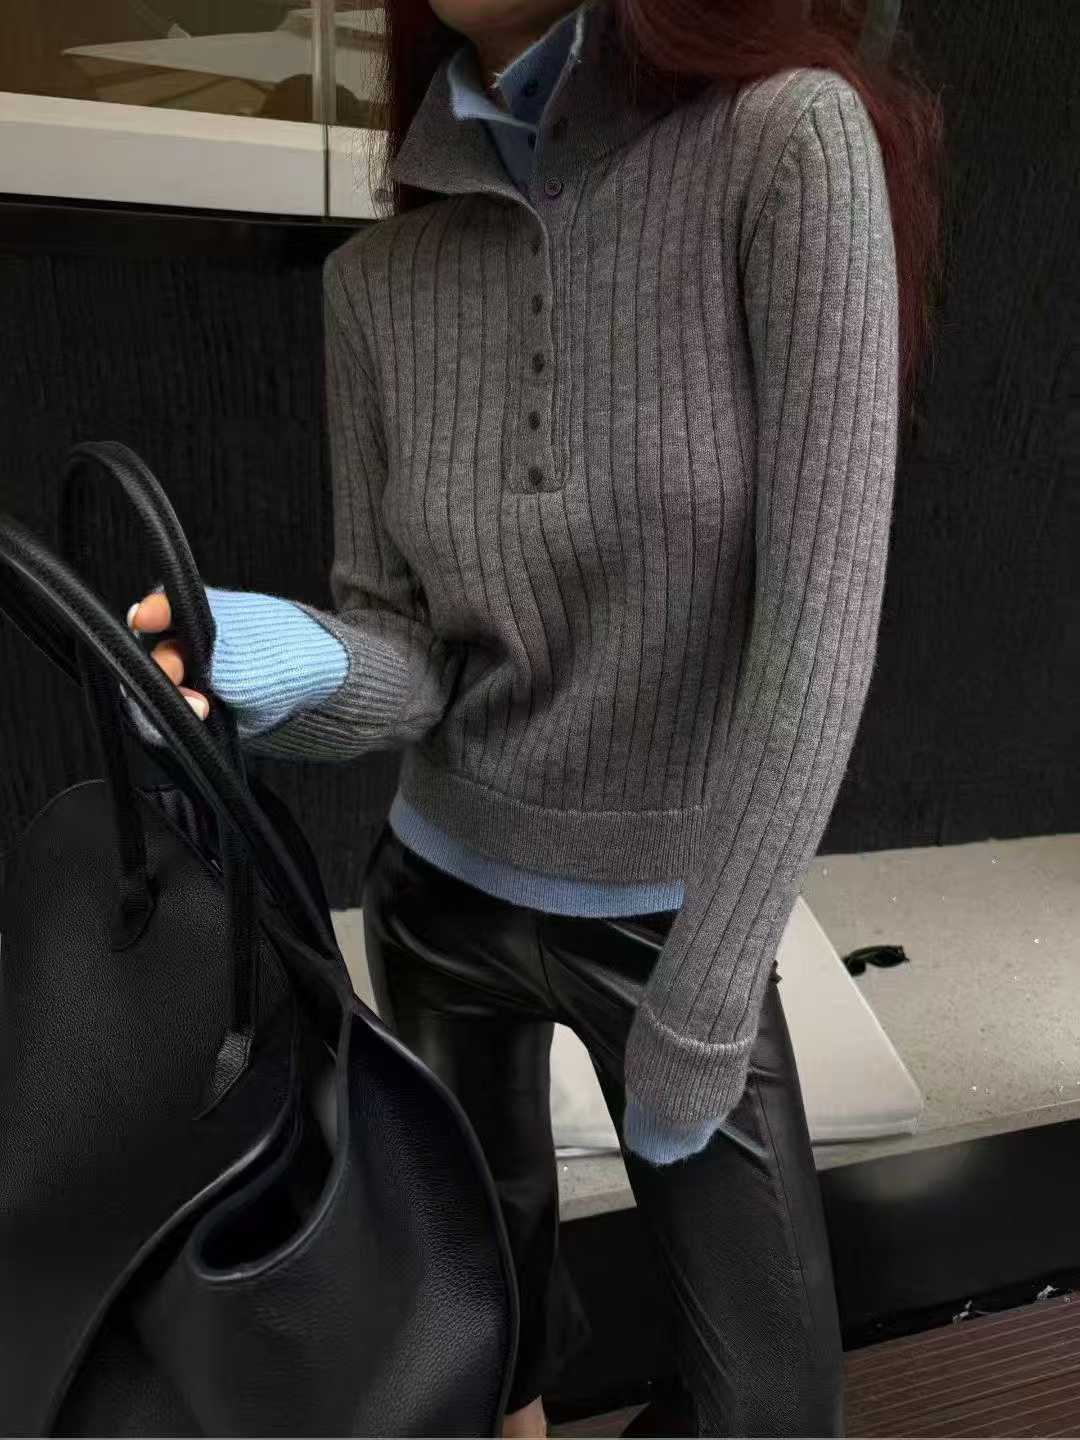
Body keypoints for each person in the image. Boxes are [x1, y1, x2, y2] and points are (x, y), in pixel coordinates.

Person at [127, 0, 939, 1432]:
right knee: (474, 1349)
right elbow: (408, 660)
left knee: (771, 1404)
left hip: (673, 922)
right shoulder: (377, 280)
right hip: (439, 904)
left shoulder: (784, 146)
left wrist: (707, 999)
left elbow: (819, 635)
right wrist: (269, 658)